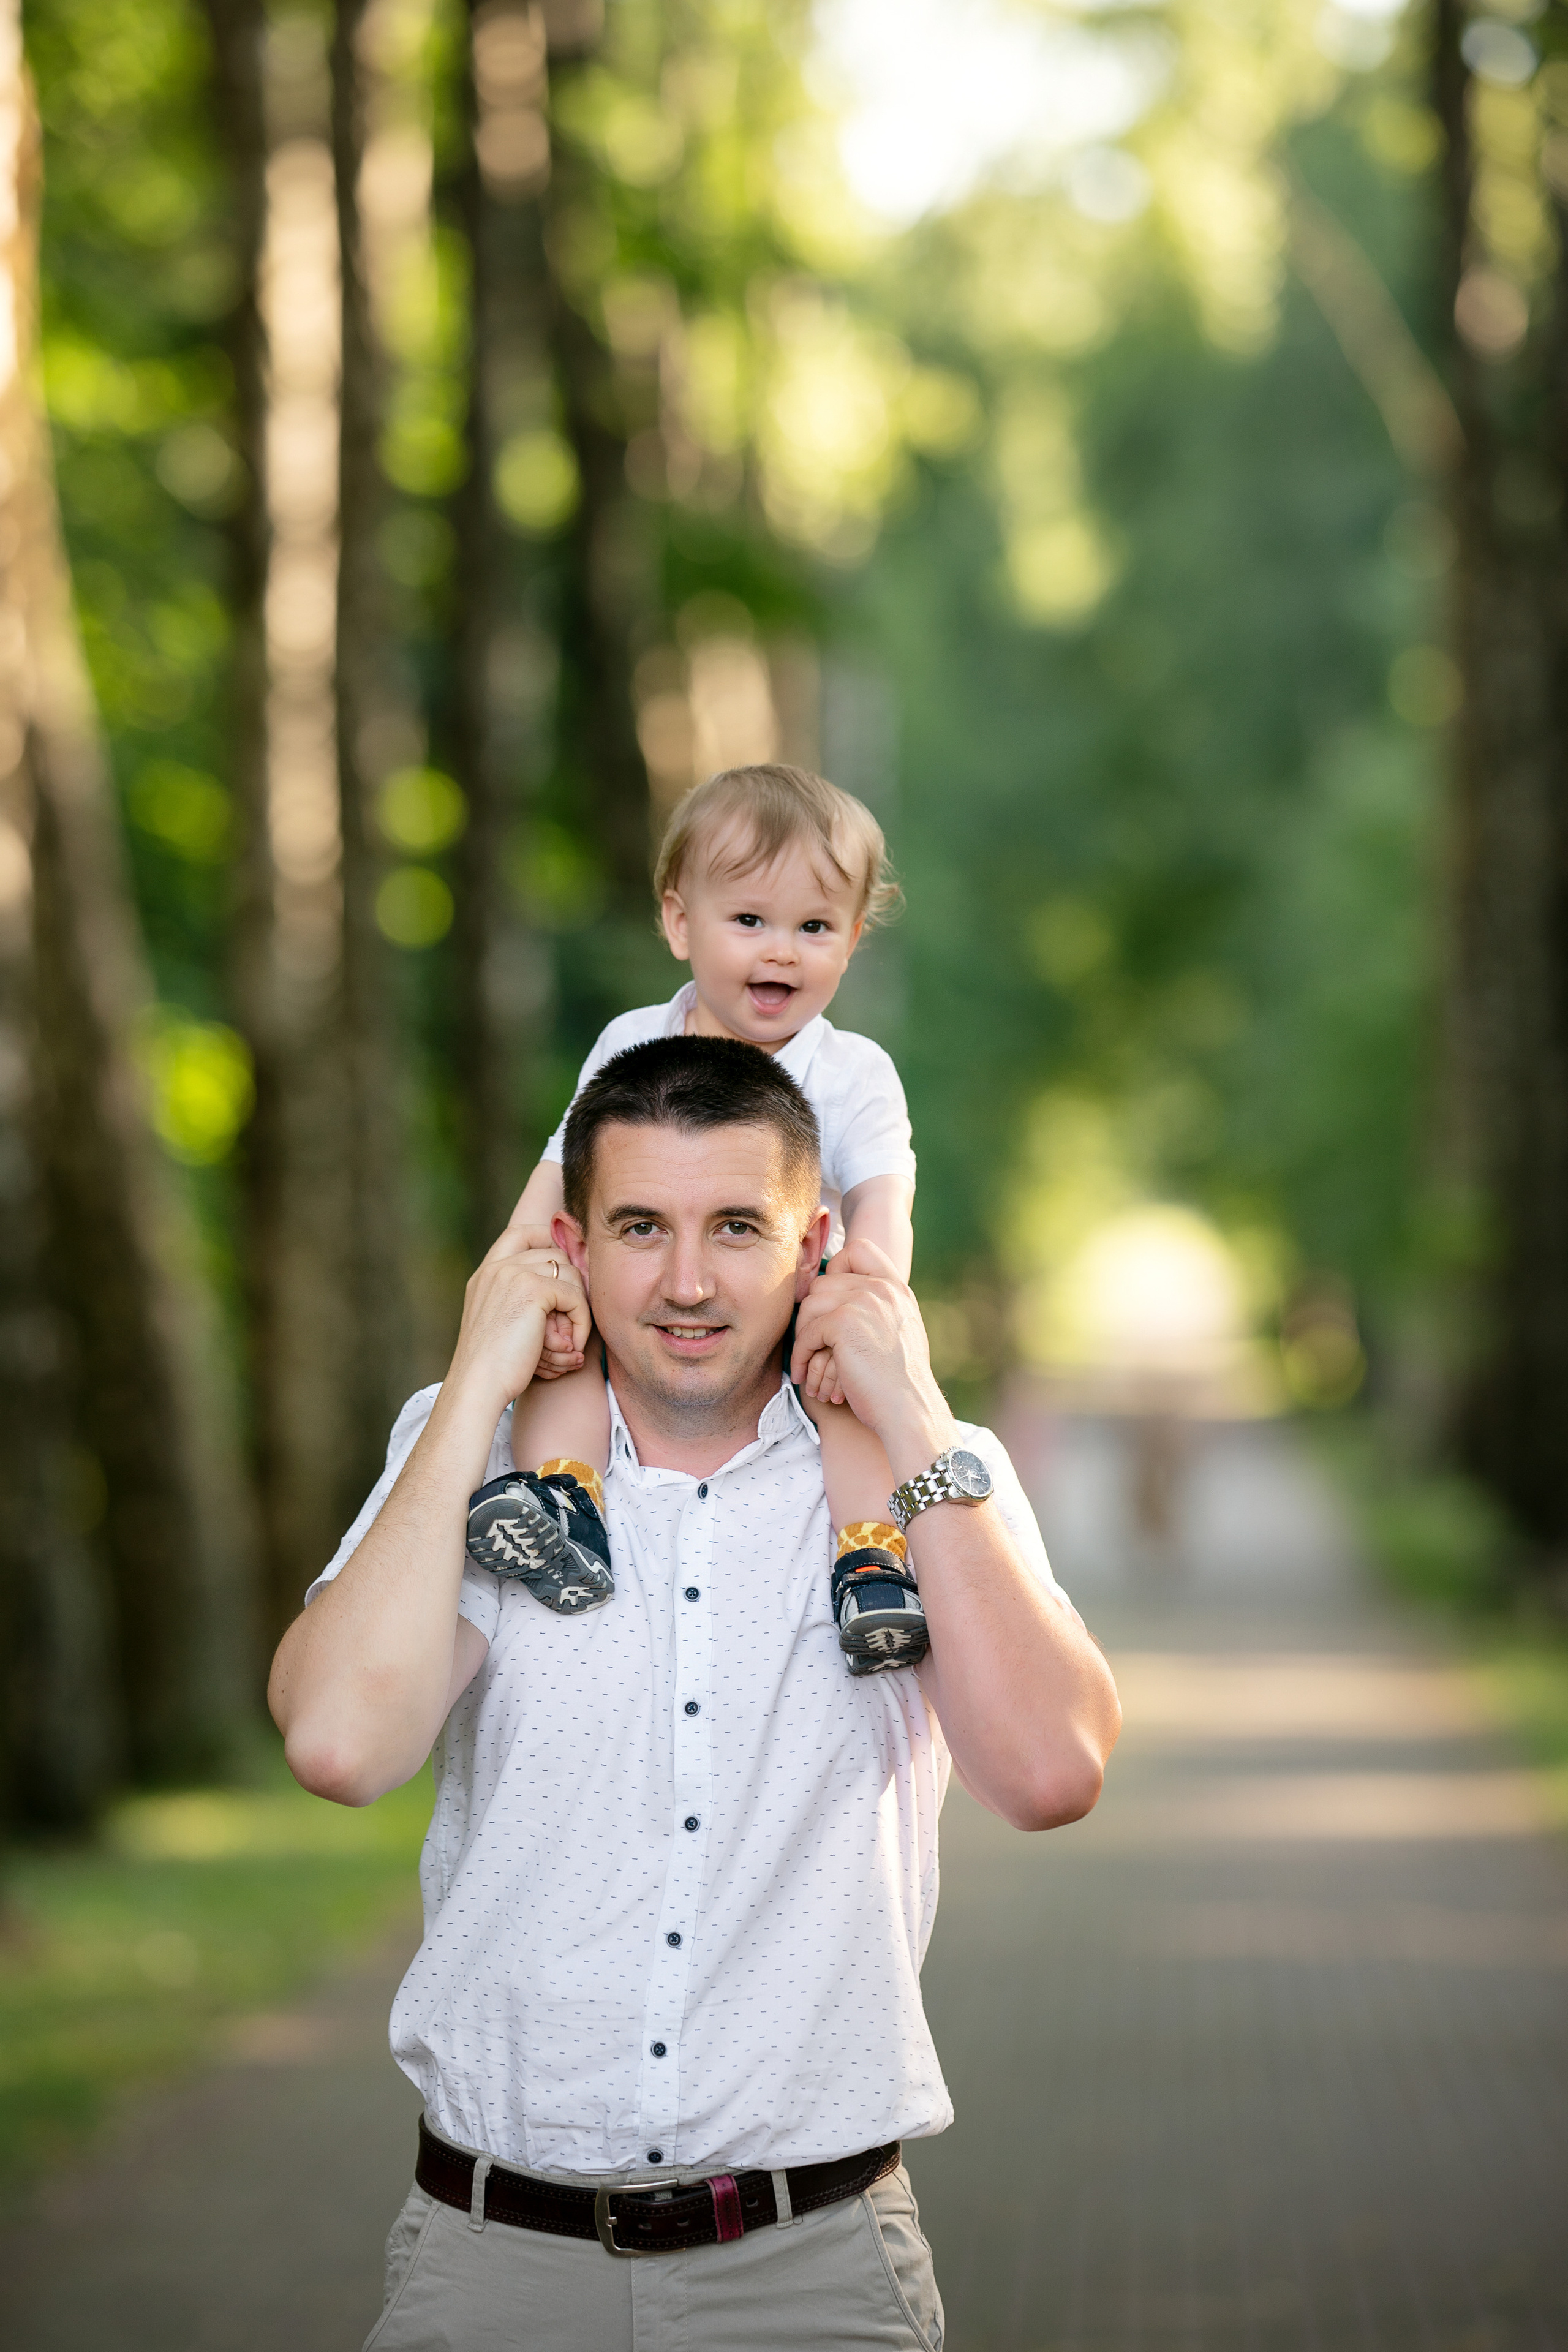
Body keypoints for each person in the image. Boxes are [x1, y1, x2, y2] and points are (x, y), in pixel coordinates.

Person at [269, 1036, 1120, 2352]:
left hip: (814, 2276)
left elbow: (1051, 1772)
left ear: (816, 1242)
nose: (683, 1283)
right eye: (638, 1228)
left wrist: (914, 1415)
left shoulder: (921, 1471)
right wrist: (467, 1397)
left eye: (735, 1227)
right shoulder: (485, 1457)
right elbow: (337, 1742)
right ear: (572, 1244)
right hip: (490, 2270)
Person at [464, 763, 930, 1676]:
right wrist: (526, 1263)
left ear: (853, 940)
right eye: (749, 921)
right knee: (573, 1344)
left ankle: (870, 1557)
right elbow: (566, 1164)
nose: (781, 952)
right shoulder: (636, 1041)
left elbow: (883, 1193)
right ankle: (566, 1501)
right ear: (681, 922)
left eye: (815, 928)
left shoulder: (855, 1070)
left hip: (794, 1285)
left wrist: (867, 1282)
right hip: (650, 1277)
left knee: (848, 1395)